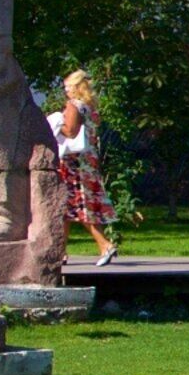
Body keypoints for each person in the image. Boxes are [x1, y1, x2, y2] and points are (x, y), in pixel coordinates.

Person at [52, 68, 122, 265]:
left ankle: (105, 245)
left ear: (76, 88)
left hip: (74, 163)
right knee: (66, 209)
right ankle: (60, 251)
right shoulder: (90, 107)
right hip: (88, 161)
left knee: (78, 207)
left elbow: (71, 132)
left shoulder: (74, 106)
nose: (66, 91)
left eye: (68, 87)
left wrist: (56, 122)